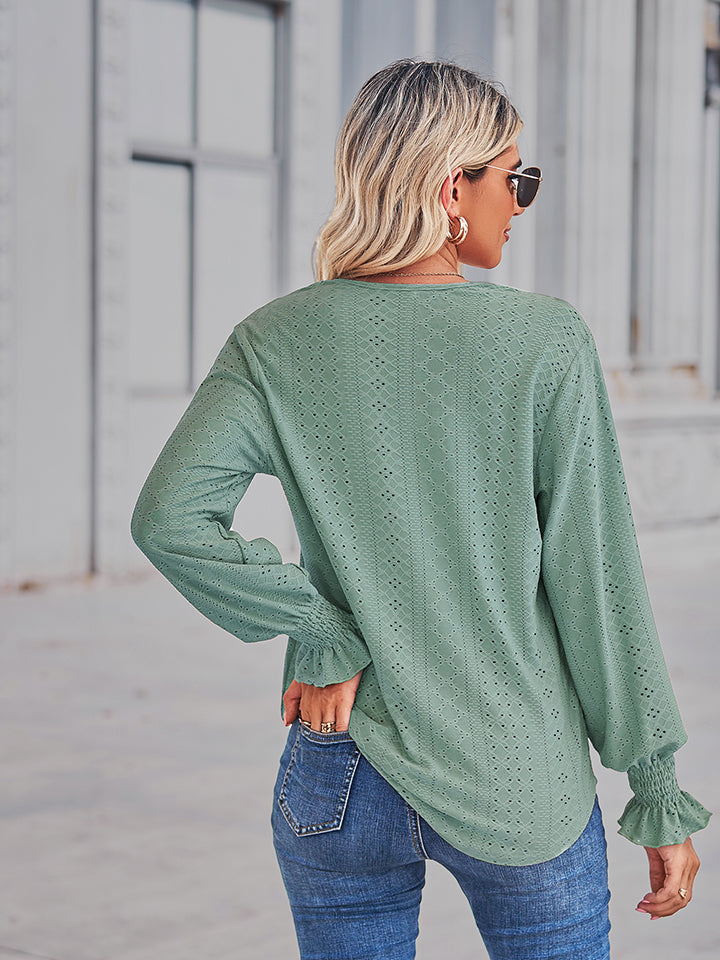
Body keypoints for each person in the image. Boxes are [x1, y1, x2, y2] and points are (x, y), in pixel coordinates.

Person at [130, 59, 711, 960]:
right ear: (452, 188)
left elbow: (170, 519)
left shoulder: (274, 339)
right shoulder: (544, 341)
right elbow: (598, 582)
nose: (520, 203)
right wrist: (656, 787)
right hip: (516, 769)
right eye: (515, 179)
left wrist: (323, 631)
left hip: (341, 764)